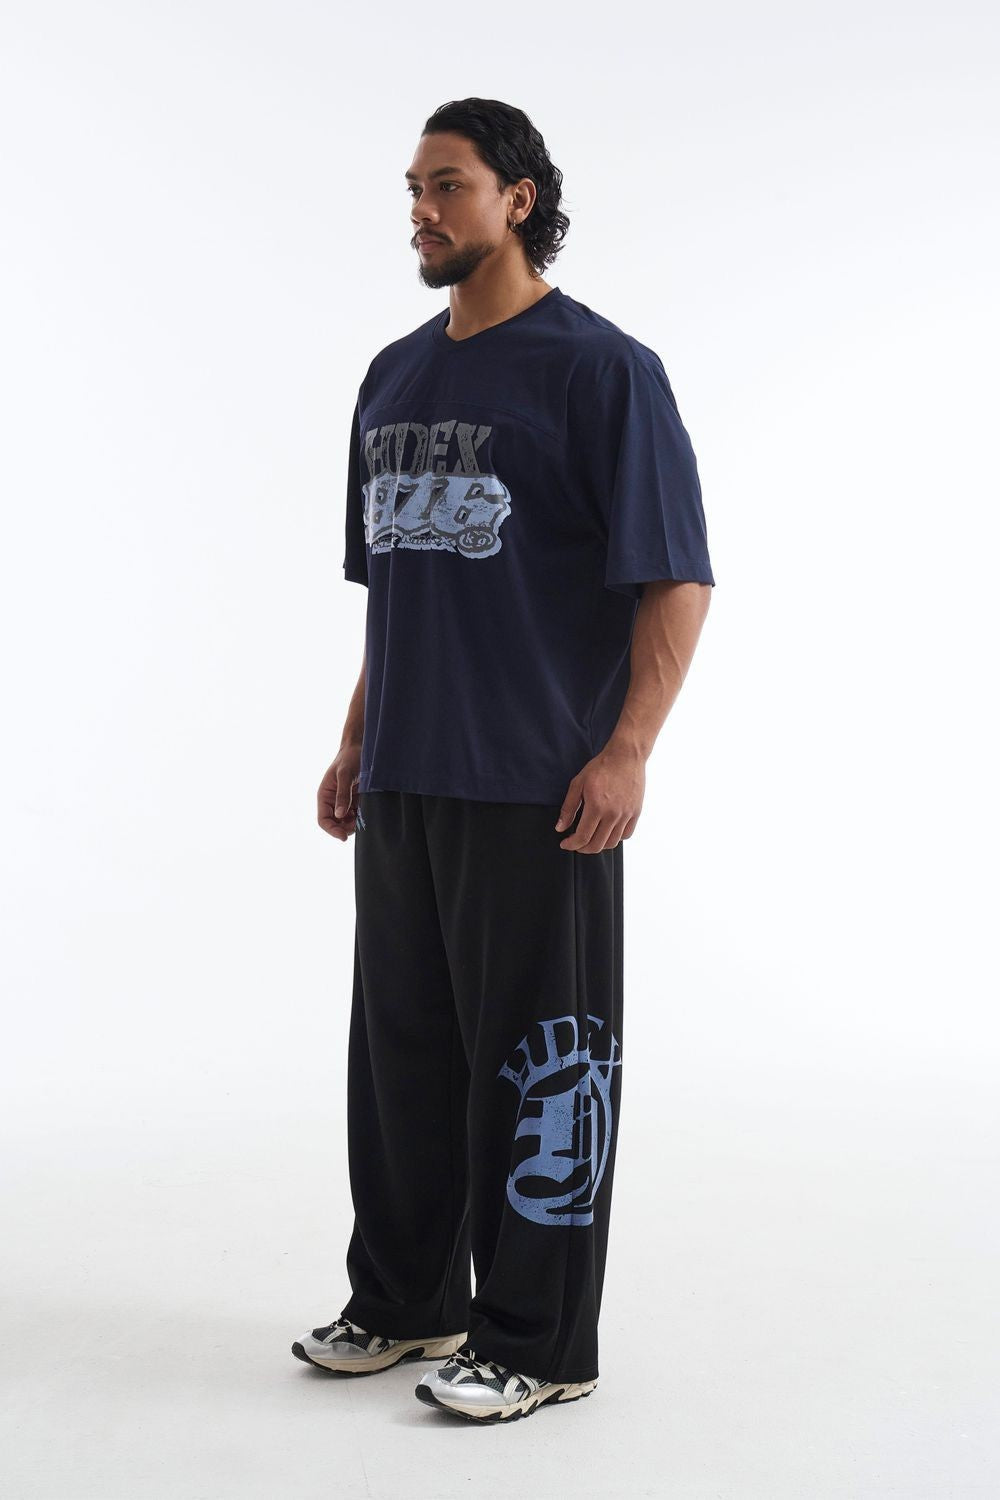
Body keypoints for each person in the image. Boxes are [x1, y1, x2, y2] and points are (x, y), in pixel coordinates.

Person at [292, 97, 715, 1425]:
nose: (421, 211)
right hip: (408, 778)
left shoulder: (603, 371)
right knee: (400, 1061)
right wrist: (357, 737)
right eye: (413, 189)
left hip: (539, 785)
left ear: (518, 199)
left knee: (546, 1066)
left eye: (448, 185)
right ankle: (406, 1299)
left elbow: (677, 578)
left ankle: (537, 1340)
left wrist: (628, 751)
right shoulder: (392, 377)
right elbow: (399, 588)